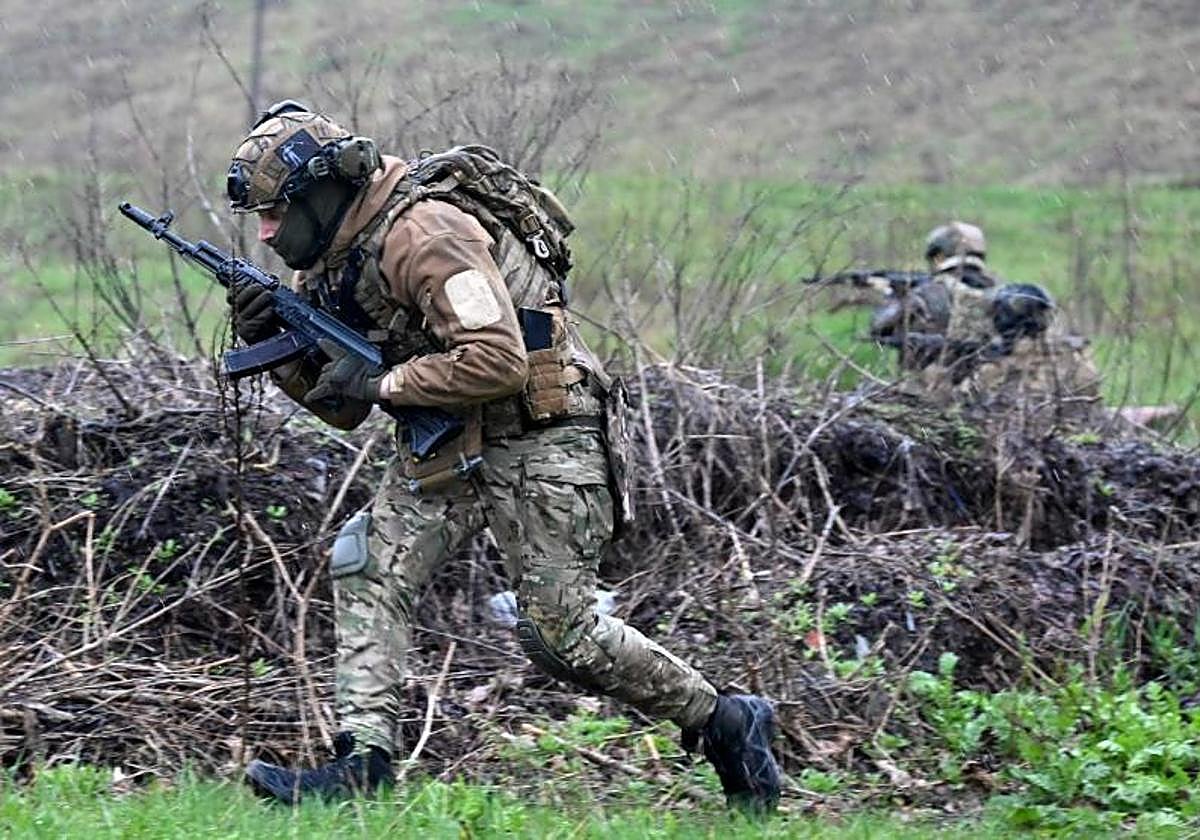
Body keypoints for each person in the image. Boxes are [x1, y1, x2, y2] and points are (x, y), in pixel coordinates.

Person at [223, 100, 782, 812]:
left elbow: (497, 362)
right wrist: (274, 347)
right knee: (366, 565)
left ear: (324, 193)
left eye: (277, 213)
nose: (267, 233)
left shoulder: (427, 233)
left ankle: (726, 720)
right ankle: (362, 763)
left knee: (562, 637)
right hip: (450, 438)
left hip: (543, 434)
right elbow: (343, 407)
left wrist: (386, 380)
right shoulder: (332, 265)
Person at [870, 221, 1102, 423]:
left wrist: (891, 296)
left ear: (938, 255)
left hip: (936, 398)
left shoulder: (926, 292)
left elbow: (880, 329)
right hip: (994, 394)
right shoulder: (1003, 292)